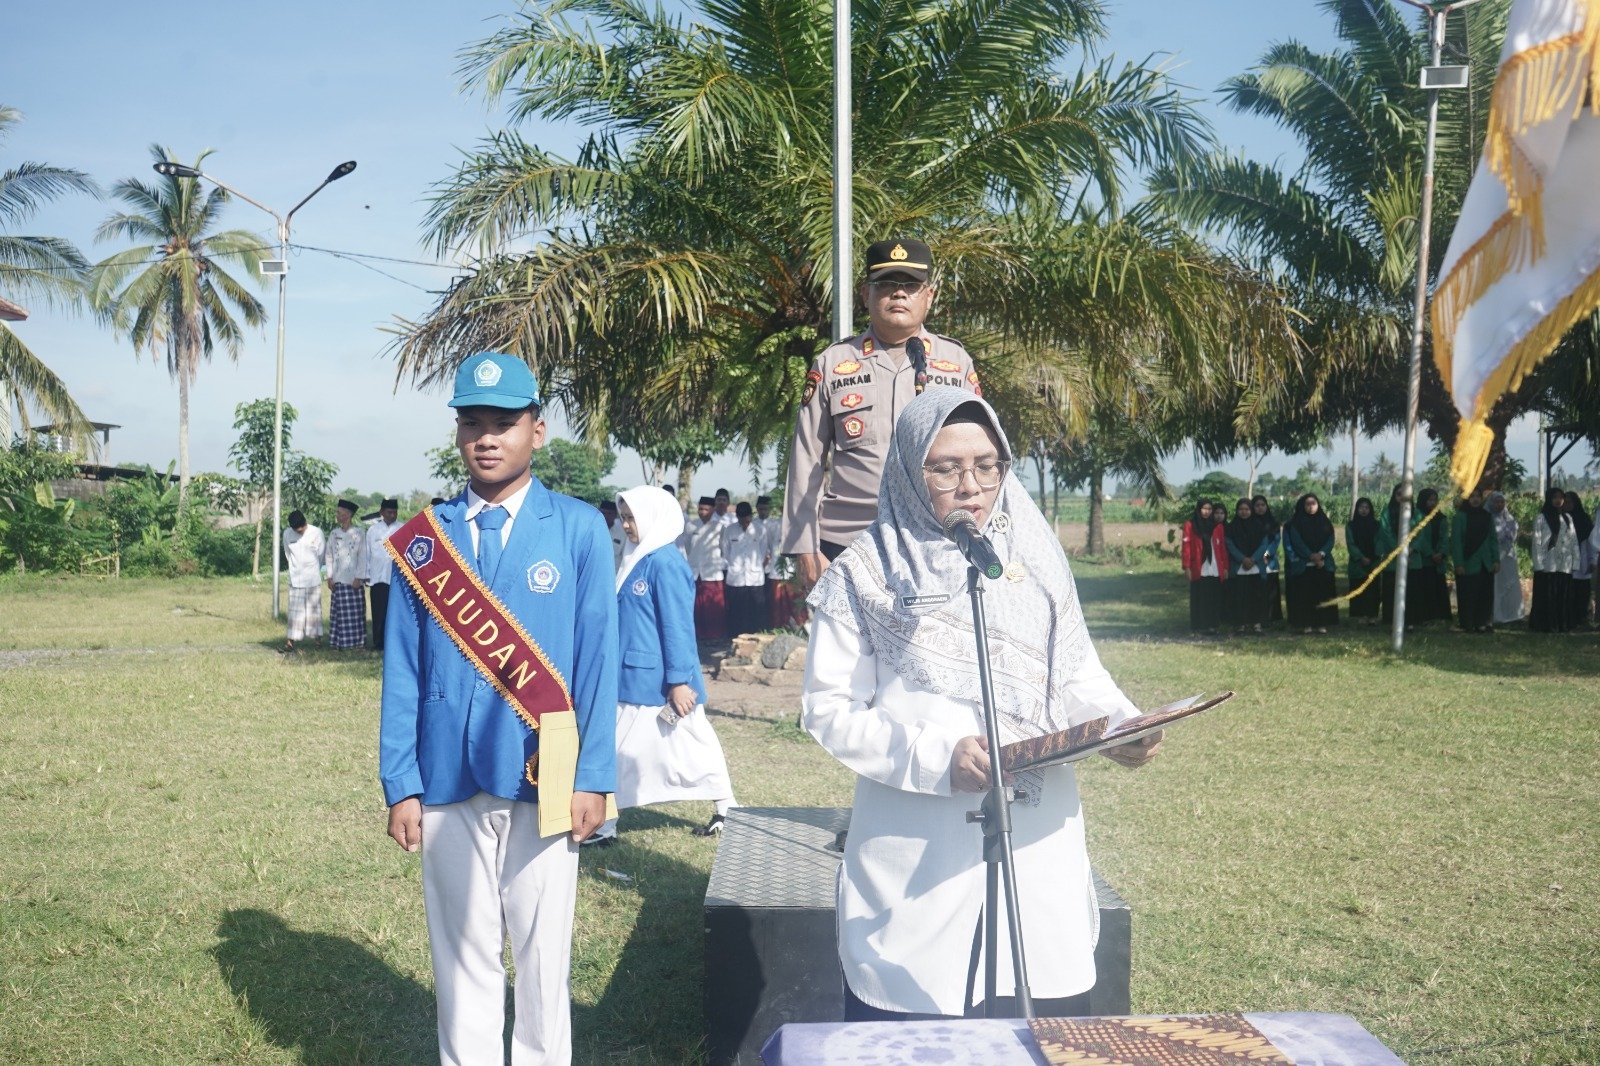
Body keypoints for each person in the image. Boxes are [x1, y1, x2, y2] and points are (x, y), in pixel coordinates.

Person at [801, 388, 1161, 1021]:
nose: (970, 484)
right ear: (910, 471)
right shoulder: (864, 572)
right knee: (917, 1023)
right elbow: (828, 708)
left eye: (987, 465)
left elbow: (1076, 673)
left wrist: (1121, 724)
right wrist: (937, 757)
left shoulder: (1037, 559)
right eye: (945, 467)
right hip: (920, 846)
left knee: (1030, 1016)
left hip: (1035, 834)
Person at [378, 351, 618, 1066]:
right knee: (461, 955)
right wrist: (402, 782)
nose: (487, 438)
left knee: (544, 958)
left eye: (504, 423)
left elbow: (596, 664)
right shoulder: (424, 541)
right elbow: (402, 670)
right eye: (472, 423)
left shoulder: (578, 529)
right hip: (447, 776)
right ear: (458, 434)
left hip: (547, 770)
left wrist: (593, 776)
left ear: (537, 431)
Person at [781, 238, 981, 589]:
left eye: (910, 286)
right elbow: (806, 459)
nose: (899, 294)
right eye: (886, 284)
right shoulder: (833, 364)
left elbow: (981, 456)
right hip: (847, 542)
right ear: (865, 295)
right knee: (845, 645)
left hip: (935, 539)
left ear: (929, 296)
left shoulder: (956, 365)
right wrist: (804, 548)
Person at [594, 485, 737, 844]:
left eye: (632, 518)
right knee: (659, 748)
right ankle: (728, 808)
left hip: (659, 683)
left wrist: (678, 680)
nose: (626, 525)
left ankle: (606, 824)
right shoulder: (635, 558)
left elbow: (677, 626)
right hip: (633, 676)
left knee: (670, 746)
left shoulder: (665, 562)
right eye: (624, 518)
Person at [1284, 493, 1338, 633]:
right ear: (1302, 506)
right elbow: (1296, 542)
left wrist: (1321, 554)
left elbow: (1330, 540)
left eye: (1313, 503)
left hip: (1322, 564)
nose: (1310, 506)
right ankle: (1306, 624)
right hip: (1304, 565)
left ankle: (1322, 624)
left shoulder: (1325, 521)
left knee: (1322, 594)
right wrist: (1310, 555)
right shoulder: (1295, 523)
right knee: (1305, 596)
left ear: (1318, 504)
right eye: (1307, 504)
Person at [680, 495, 728, 642]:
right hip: (695, 572)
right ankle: (699, 636)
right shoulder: (691, 526)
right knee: (697, 606)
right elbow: (687, 547)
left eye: (706, 509)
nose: (703, 512)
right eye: (700, 509)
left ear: (713, 509)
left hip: (713, 573)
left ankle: (715, 636)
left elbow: (724, 549)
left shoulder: (719, 527)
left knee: (713, 607)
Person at [1529, 486, 1577, 633]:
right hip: (1547, 564)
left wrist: (1575, 561)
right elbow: (1537, 542)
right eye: (1555, 497)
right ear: (1550, 499)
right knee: (1548, 595)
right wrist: (1539, 564)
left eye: (1561, 497)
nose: (1558, 500)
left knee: (1562, 595)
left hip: (1564, 564)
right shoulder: (1541, 518)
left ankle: (1562, 624)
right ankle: (1547, 625)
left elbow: (1573, 540)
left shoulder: (1568, 518)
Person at [1450, 491, 1499, 633]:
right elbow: (1456, 542)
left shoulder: (1486, 516)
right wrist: (1459, 563)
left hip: (1486, 562)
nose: (1475, 500)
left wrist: (1495, 559)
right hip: (1468, 562)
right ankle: (1468, 623)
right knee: (1468, 594)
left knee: (1485, 593)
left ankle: (1482, 623)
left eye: (1478, 497)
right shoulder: (1460, 517)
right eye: (1472, 497)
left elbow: (1492, 539)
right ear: (1467, 499)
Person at [322, 499, 367, 651]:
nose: (337, 515)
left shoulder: (359, 533)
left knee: (355, 614)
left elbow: (363, 556)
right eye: (337, 513)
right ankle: (338, 643)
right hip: (338, 580)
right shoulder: (334, 534)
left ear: (348, 515)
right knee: (339, 614)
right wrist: (329, 576)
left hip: (354, 581)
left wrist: (359, 577)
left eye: (339, 513)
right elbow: (328, 555)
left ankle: (357, 644)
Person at [720, 501, 769, 637]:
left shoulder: (760, 530)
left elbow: (764, 551)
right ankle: (735, 637)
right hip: (736, 578)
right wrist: (735, 565)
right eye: (742, 521)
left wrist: (757, 565)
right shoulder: (730, 530)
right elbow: (726, 551)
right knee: (737, 610)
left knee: (756, 610)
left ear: (751, 516)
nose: (744, 524)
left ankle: (757, 636)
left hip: (755, 578)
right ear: (737, 517)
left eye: (747, 521)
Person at [1406, 488, 1452, 627]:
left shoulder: (1441, 518)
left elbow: (1445, 538)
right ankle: (1424, 617)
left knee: (1438, 589)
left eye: (1434, 500)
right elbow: (1421, 538)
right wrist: (1430, 554)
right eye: (1429, 500)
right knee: (1424, 589)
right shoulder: (1418, 517)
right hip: (1424, 560)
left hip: (1438, 561)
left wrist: (1441, 553)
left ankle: (1439, 616)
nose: (1432, 503)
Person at [1180, 499, 1227, 633]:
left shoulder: (1217, 526)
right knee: (1199, 596)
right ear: (1198, 509)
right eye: (1204, 509)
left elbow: (1222, 547)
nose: (1207, 512)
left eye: (1209, 509)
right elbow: (1186, 547)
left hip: (1214, 565)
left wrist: (1225, 567)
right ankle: (1199, 625)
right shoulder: (1190, 525)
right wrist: (1187, 567)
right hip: (1199, 565)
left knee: (1213, 596)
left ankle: (1212, 625)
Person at [282, 510, 324, 653]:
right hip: (296, 578)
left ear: (305, 523)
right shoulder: (287, 534)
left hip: (312, 577)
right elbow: (288, 554)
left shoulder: (316, 532)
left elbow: (321, 556)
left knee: (314, 611)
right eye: (296, 530)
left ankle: (318, 641)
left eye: (301, 528)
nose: (299, 531)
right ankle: (290, 642)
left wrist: (312, 568)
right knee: (295, 612)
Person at [1224, 498, 1267, 633]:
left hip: (1256, 567)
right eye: (1241, 509)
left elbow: (1264, 544)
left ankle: (1256, 624)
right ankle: (1240, 624)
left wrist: (1253, 559)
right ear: (1237, 511)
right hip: (1239, 567)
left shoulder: (1259, 525)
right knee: (1239, 596)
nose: (1244, 512)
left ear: (1251, 510)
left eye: (1247, 509)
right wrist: (1243, 559)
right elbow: (1229, 545)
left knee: (1256, 596)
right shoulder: (1231, 527)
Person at [364, 498, 401, 652]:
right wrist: (366, 574)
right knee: (378, 611)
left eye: (394, 512)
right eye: (389, 512)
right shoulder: (373, 530)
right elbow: (367, 553)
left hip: (396, 578)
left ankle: (393, 644)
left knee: (394, 612)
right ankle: (378, 642)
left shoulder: (402, 528)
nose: (392, 515)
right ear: (382, 512)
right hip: (377, 577)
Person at [1486, 491, 1525, 625]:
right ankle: (1497, 614)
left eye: (1502, 501)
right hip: (1496, 555)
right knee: (1497, 584)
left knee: (1510, 583)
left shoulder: (1508, 518)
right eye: (1497, 502)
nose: (1500, 504)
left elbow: (1513, 535)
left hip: (1509, 556)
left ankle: (1512, 613)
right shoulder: (1488, 518)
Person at [1344, 497, 1383, 624]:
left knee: (1373, 590)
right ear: (1357, 509)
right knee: (1358, 588)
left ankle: (1372, 615)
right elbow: (1351, 544)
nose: (1364, 510)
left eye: (1367, 507)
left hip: (1374, 562)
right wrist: (1361, 557)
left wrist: (1373, 557)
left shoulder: (1377, 525)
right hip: (1358, 564)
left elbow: (1379, 541)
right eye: (1361, 507)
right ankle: (1360, 615)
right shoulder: (1351, 526)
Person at [1565, 491, 1595, 629]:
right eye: (1566, 502)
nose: (1567, 505)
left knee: (1582, 591)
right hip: (1566, 560)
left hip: (1582, 558)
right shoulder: (1561, 518)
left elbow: (1591, 541)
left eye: (1570, 502)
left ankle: (1582, 617)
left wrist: (1591, 560)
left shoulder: (1584, 519)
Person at [1252, 495, 1283, 623]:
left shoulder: (1273, 522)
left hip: (1270, 561)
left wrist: (1266, 554)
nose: (1260, 508)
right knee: (1258, 590)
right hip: (1255, 560)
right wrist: (1258, 556)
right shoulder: (1250, 522)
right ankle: (1259, 617)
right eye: (1257, 506)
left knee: (1271, 589)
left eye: (1262, 505)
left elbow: (1276, 541)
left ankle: (1273, 617)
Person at [600, 499, 626, 570]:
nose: (605, 516)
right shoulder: (591, 528)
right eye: (603, 513)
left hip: (614, 575)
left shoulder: (624, 530)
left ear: (615, 515)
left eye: (609, 514)